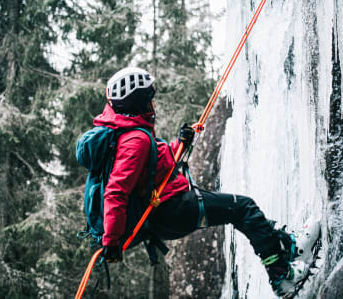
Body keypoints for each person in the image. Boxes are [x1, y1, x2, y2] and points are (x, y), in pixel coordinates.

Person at [95, 66, 320, 297]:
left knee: (242, 211)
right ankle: (281, 276)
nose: (154, 104)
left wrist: (180, 144)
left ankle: (290, 246)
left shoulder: (131, 133)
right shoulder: (136, 140)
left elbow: (155, 165)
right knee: (244, 209)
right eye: (150, 99)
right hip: (172, 209)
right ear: (139, 102)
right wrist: (111, 240)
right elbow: (116, 191)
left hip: (168, 207)